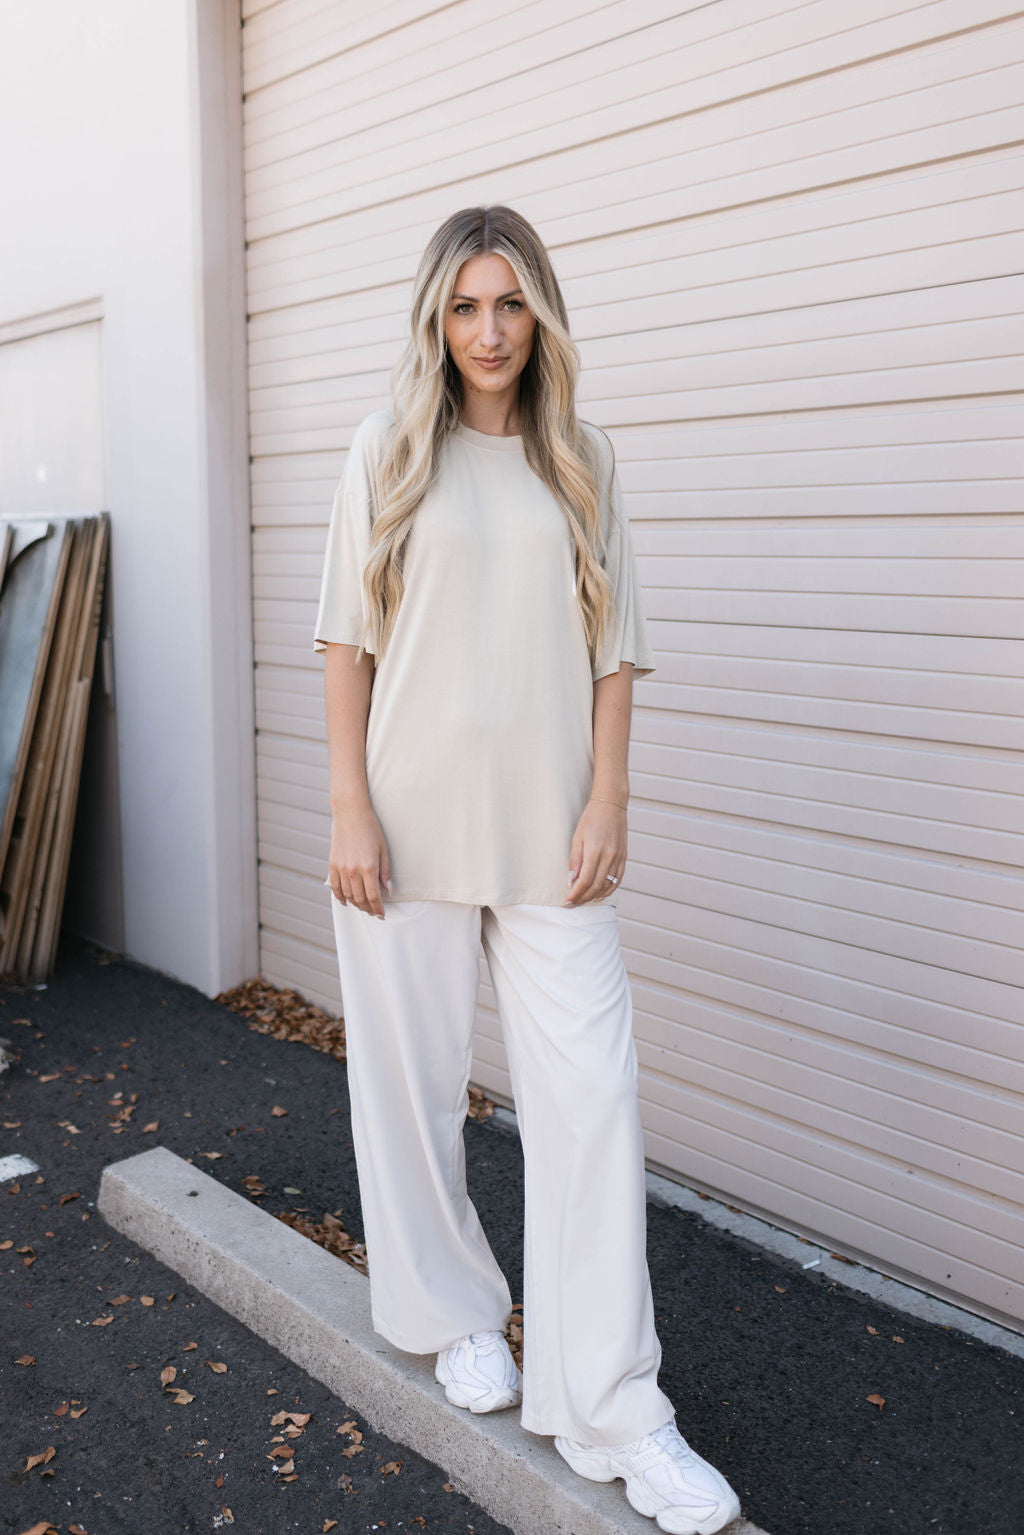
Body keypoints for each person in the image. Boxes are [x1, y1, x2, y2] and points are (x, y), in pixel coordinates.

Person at [314, 205, 742, 1535]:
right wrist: (347, 810)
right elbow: (345, 640)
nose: (489, 333)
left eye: (510, 306)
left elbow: (617, 650)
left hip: (555, 833)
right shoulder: (386, 451)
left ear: (541, 314)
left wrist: (610, 796)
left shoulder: (585, 462)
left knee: (593, 1097)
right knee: (412, 1089)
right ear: (435, 320)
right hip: (406, 820)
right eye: (465, 308)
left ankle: (614, 1405)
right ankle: (449, 1311)